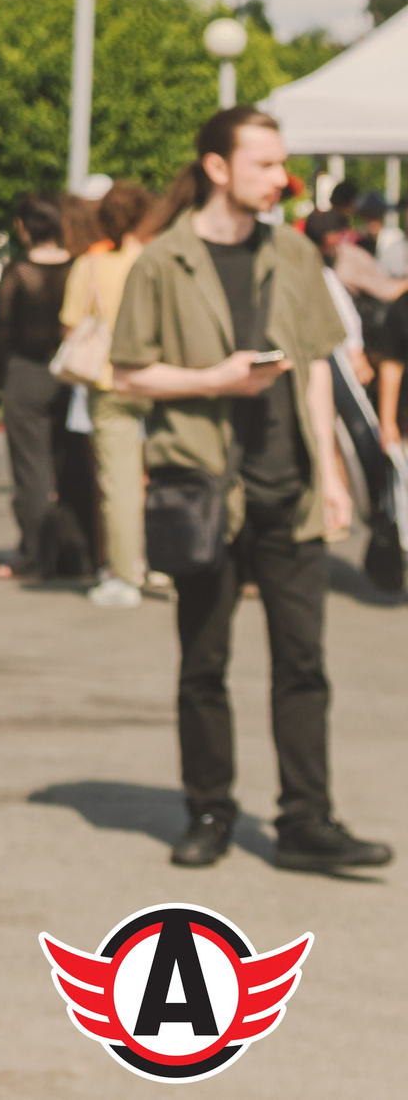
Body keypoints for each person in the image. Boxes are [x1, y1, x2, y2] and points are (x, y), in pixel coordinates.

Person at [110, 107, 393, 875]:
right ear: (216, 167)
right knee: (203, 663)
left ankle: (307, 820)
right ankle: (208, 811)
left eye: (281, 162)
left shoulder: (293, 254)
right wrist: (214, 380)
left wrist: (332, 477)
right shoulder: (163, 261)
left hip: (288, 490)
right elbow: (126, 371)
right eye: (265, 164)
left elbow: (316, 367)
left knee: (303, 663)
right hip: (203, 488)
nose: (281, 178)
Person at [0, 193, 96, 581]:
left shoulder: (17, 271)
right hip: (70, 374)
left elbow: (0, 330)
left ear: (23, 227)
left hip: (26, 373)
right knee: (73, 465)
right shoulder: (78, 267)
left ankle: (37, 555)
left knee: (31, 470)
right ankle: (79, 554)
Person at [62, 180, 159, 607]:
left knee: (119, 484)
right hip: (163, 377)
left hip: (110, 381)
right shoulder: (161, 261)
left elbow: (70, 324)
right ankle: (170, 559)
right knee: (171, 473)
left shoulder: (91, 265)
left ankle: (124, 572)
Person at [306, 208, 404, 589]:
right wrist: (354, 352)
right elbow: (344, 320)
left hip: (340, 357)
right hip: (333, 359)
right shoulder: (320, 270)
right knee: (347, 437)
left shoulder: (330, 268)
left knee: (342, 440)